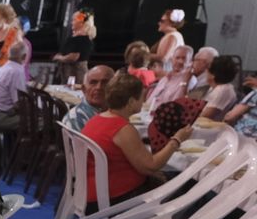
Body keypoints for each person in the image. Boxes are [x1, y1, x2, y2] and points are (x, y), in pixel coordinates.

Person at [82, 72, 191, 210]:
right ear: (131, 102)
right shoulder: (122, 129)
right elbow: (151, 166)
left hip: (92, 190)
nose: (143, 101)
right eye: (142, 97)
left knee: (173, 176)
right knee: (186, 182)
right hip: (113, 196)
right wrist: (177, 139)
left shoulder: (97, 119)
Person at [61, 65, 115, 131]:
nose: (99, 87)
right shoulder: (76, 119)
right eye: (93, 83)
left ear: (114, 87)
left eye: (105, 82)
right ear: (84, 89)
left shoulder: (122, 112)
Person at [51, 8, 95, 86]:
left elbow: (73, 57)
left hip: (74, 75)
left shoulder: (79, 39)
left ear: (81, 23)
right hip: (75, 74)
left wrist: (59, 57)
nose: (71, 23)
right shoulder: (85, 38)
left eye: (74, 20)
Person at [145, 44, 192, 111]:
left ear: (190, 62)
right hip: (148, 114)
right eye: (177, 58)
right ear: (172, 59)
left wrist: (185, 81)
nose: (180, 61)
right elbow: (150, 101)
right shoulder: (165, 78)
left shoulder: (189, 80)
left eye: (184, 58)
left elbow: (178, 103)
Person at [200, 55, 241, 120]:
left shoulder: (223, 90)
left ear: (213, 75)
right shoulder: (215, 88)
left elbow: (207, 115)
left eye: (207, 69)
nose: (205, 71)